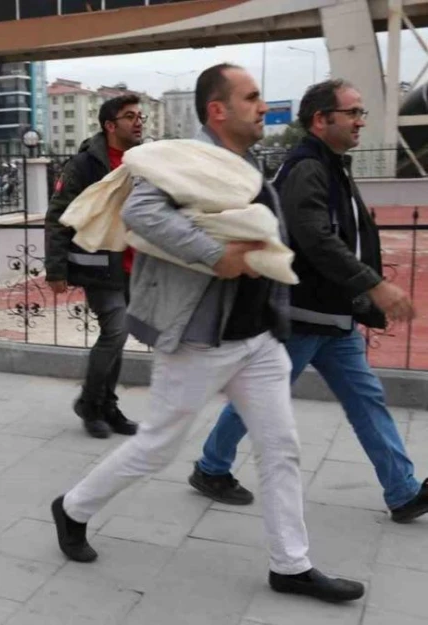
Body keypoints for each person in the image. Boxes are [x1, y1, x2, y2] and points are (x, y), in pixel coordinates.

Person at [52, 64, 365, 603]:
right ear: (218, 110)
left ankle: (290, 564)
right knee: (156, 448)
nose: (263, 106)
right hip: (202, 336)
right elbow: (142, 211)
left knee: (281, 447)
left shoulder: (245, 163)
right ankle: (73, 506)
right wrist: (215, 254)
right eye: (251, 97)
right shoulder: (179, 159)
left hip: (257, 337)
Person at [189, 79, 428, 523]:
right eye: (353, 112)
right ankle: (211, 466)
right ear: (322, 119)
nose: (360, 121)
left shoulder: (331, 164)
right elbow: (314, 238)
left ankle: (402, 491)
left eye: (361, 113)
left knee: (367, 401)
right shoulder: (307, 169)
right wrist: (372, 284)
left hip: (334, 316)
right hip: (300, 316)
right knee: (258, 401)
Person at [45, 94, 144, 438]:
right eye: (130, 116)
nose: (138, 121)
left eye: (140, 116)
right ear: (110, 125)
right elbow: (58, 215)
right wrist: (55, 269)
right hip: (100, 264)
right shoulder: (85, 164)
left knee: (117, 337)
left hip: (135, 263)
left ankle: (107, 406)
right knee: (115, 331)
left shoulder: (143, 161)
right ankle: (90, 403)